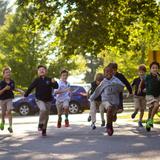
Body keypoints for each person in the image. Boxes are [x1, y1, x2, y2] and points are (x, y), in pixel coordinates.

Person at [24, 65, 58, 136]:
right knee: (43, 110)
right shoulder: (37, 80)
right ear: (38, 72)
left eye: (43, 69)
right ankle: (40, 124)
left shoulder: (49, 79)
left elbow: (56, 87)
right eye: (40, 70)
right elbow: (30, 87)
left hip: (48, 100)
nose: (41, 71)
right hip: (39, 99)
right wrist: (26, 95)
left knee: (47, 115)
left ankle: (44, 129)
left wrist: (54, 82)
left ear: (46, 71)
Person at [90, 66, 124, 136]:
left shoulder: (116, 80)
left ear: (113, 72)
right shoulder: (103, 82)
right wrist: (91, 98)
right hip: (105, 100)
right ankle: (109, 126)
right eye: (107, 72)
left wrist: (116, 85)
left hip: (115, 101)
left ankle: (112, 117)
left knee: (113, 116)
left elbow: (122, 87)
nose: (109, 73)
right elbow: (97, 91)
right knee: (109, 108)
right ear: (104, 74)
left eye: (110, 71)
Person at [0, 67, 24, 133]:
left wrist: (20, 90)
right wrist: (5, 88)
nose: (8, 73)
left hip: (9, 98)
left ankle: (10, 126)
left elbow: (13, 88)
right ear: (3, 74)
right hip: (2, 100)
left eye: (9, 72)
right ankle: (2, 121)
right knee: (3, 113)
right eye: (6, 72)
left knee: (9, 110)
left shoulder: (12, 81)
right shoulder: (1, 83)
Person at [140, 62, 160, 132]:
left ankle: (148, 122)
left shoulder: (159, 77)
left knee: (151, 109)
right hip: (149, 95)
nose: (155, 69)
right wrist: (141, 88)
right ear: (150, 69)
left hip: (157, 95)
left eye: (156, 68)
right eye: (153, 68)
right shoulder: (147, 76)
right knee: (156, 105)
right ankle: (151, 119)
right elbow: (142, 81)